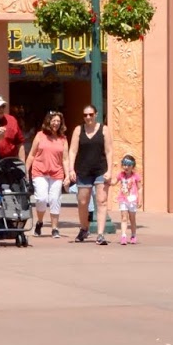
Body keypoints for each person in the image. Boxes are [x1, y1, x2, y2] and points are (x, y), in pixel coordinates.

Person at [68, 105, 111, 245]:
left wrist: (110, 170)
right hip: (83, 170)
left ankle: (100, 234)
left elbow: (109, 151)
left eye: (91, 114)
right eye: (85, 115)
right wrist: (71, 170)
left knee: (101, 201)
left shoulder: (104, 129)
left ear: (96, 114)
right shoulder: (78, 130)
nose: (88, 117)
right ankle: (84, 228)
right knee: (82, 202)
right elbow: (73, 151)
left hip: (100, 169)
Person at [26, 110, 69, 237]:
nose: (56, 123)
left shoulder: (63, 139)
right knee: (41, 198)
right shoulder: (40, 135)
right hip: (39, 171)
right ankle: (39, 222)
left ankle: (55, 228)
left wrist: (67, 175)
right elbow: (31, 154)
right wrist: (25, 171)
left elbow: (65, 159)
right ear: (48, 122)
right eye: (53, 120)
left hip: (57, 173)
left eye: (58, 121)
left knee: (55, 199)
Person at [115, 154, 142, 244]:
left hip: (132, 200)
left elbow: (140, 188)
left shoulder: (136, 176)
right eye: (124, 164)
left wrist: (140, 200)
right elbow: (114, 182)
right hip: (123, 199)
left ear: (132, 166)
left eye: (129, 165)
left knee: (132, 219)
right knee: (124, 218)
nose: (126, 167)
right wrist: (107, 180)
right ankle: (123, 236)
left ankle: (133, 235)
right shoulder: (121, 175)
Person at [0, 94, 23, 161]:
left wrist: (22, 163)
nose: (1, 109)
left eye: (3, 106)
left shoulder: (11, 120)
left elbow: (20, 143)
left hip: (10, 160)